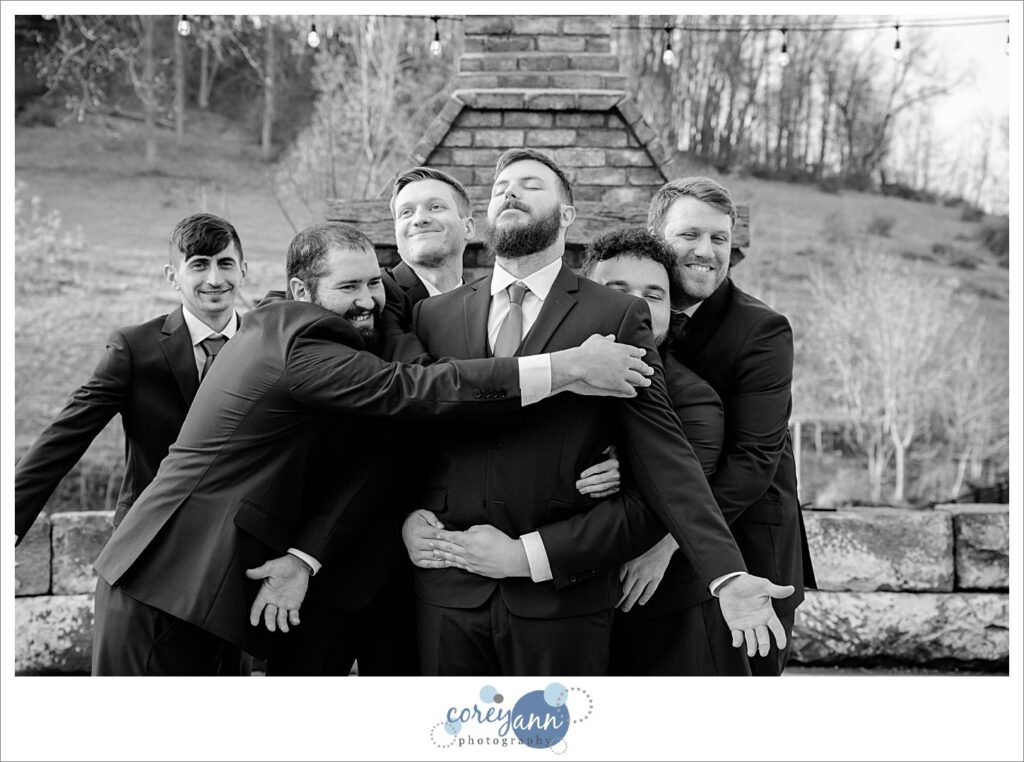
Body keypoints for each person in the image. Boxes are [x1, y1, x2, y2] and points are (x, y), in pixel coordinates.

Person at [89, 221, 653, 675]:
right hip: (168, 582)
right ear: (301, 293)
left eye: (373, 284)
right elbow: (416, 388)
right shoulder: (302, 340)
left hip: (209, 592)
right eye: (348, 288)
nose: (368, 301)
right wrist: (567, 366)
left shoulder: (320, 325)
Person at [405, 148, 794, 676]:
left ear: (567, 214)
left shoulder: (614, 313)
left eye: (532, 185)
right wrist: (404, 519)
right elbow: (405, 435)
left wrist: (725, 574)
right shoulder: (434, 314)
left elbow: (664, 454)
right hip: (446, 591)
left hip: (562, 600)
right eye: (501, 188)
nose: (511, 193)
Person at [650, 176, 817, 675]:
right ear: (655, 235)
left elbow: (754, 460)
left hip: (747, 544)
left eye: (720, 239)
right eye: (690, 235)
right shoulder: (630, 310)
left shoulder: (762, 330)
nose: (707, 251)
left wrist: (667, 542)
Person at [15, 213, 247, 544]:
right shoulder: (134, 349)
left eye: (225, 264)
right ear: (173, 276)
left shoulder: (269, 345)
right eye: (198, 265)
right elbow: (65, 437)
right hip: (149, 537)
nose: (214, 278)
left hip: (239, 540)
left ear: (243, 271)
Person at [581, 225, 750, 675]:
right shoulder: (548, 376)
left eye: (652, 295)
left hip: (665, 618)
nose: (634, 306)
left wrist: (628, 466)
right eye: (615, 290)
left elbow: (677, 492)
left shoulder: (694, 399)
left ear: (671, 310)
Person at [386, 166, 473, 301]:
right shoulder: (377, 296)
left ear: (468, 228)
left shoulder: (488, 308)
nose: (420, 219)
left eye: (435, 207)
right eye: (406, 212)